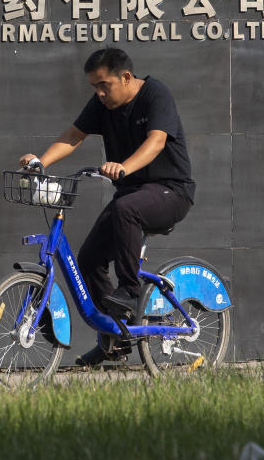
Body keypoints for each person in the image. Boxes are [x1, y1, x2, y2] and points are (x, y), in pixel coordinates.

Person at [19, 47, 195, 366]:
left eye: (104, 86)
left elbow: (156, 141)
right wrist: (39, 162)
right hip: (131, 195)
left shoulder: (156, 95)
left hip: (171, 191)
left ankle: (129, 290)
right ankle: (114, 338)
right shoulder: (103, 103)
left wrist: (124, 166)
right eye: (94, 87)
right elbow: (74, 136)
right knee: (88, 260)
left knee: (126, 208)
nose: (99, 93)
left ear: (125, 77)